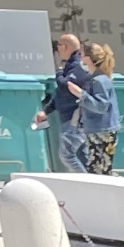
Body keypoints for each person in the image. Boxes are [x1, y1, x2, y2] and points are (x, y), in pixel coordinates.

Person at [32, 32, 90, 173]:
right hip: (68, 119)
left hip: (75, 119)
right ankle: (88, 183)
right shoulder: (69, 67)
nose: (57, 50)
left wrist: (58, 73)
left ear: (65, 47)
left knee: (68, 155)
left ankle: (87, 182)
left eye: (58, 46)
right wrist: (46, 111)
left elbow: (65, 84)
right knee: (81, 156)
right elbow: (59, 94)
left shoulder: (77, 67)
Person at [74, 42, 122, 174]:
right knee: (99, 167)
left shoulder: (98, 81)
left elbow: (101, 106)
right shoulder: (97, 78)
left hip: (101, 130)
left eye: (81, 54)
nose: (80, 58)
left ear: (88, 59)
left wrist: (81, 94)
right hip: (99, 129)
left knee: (99, 169)